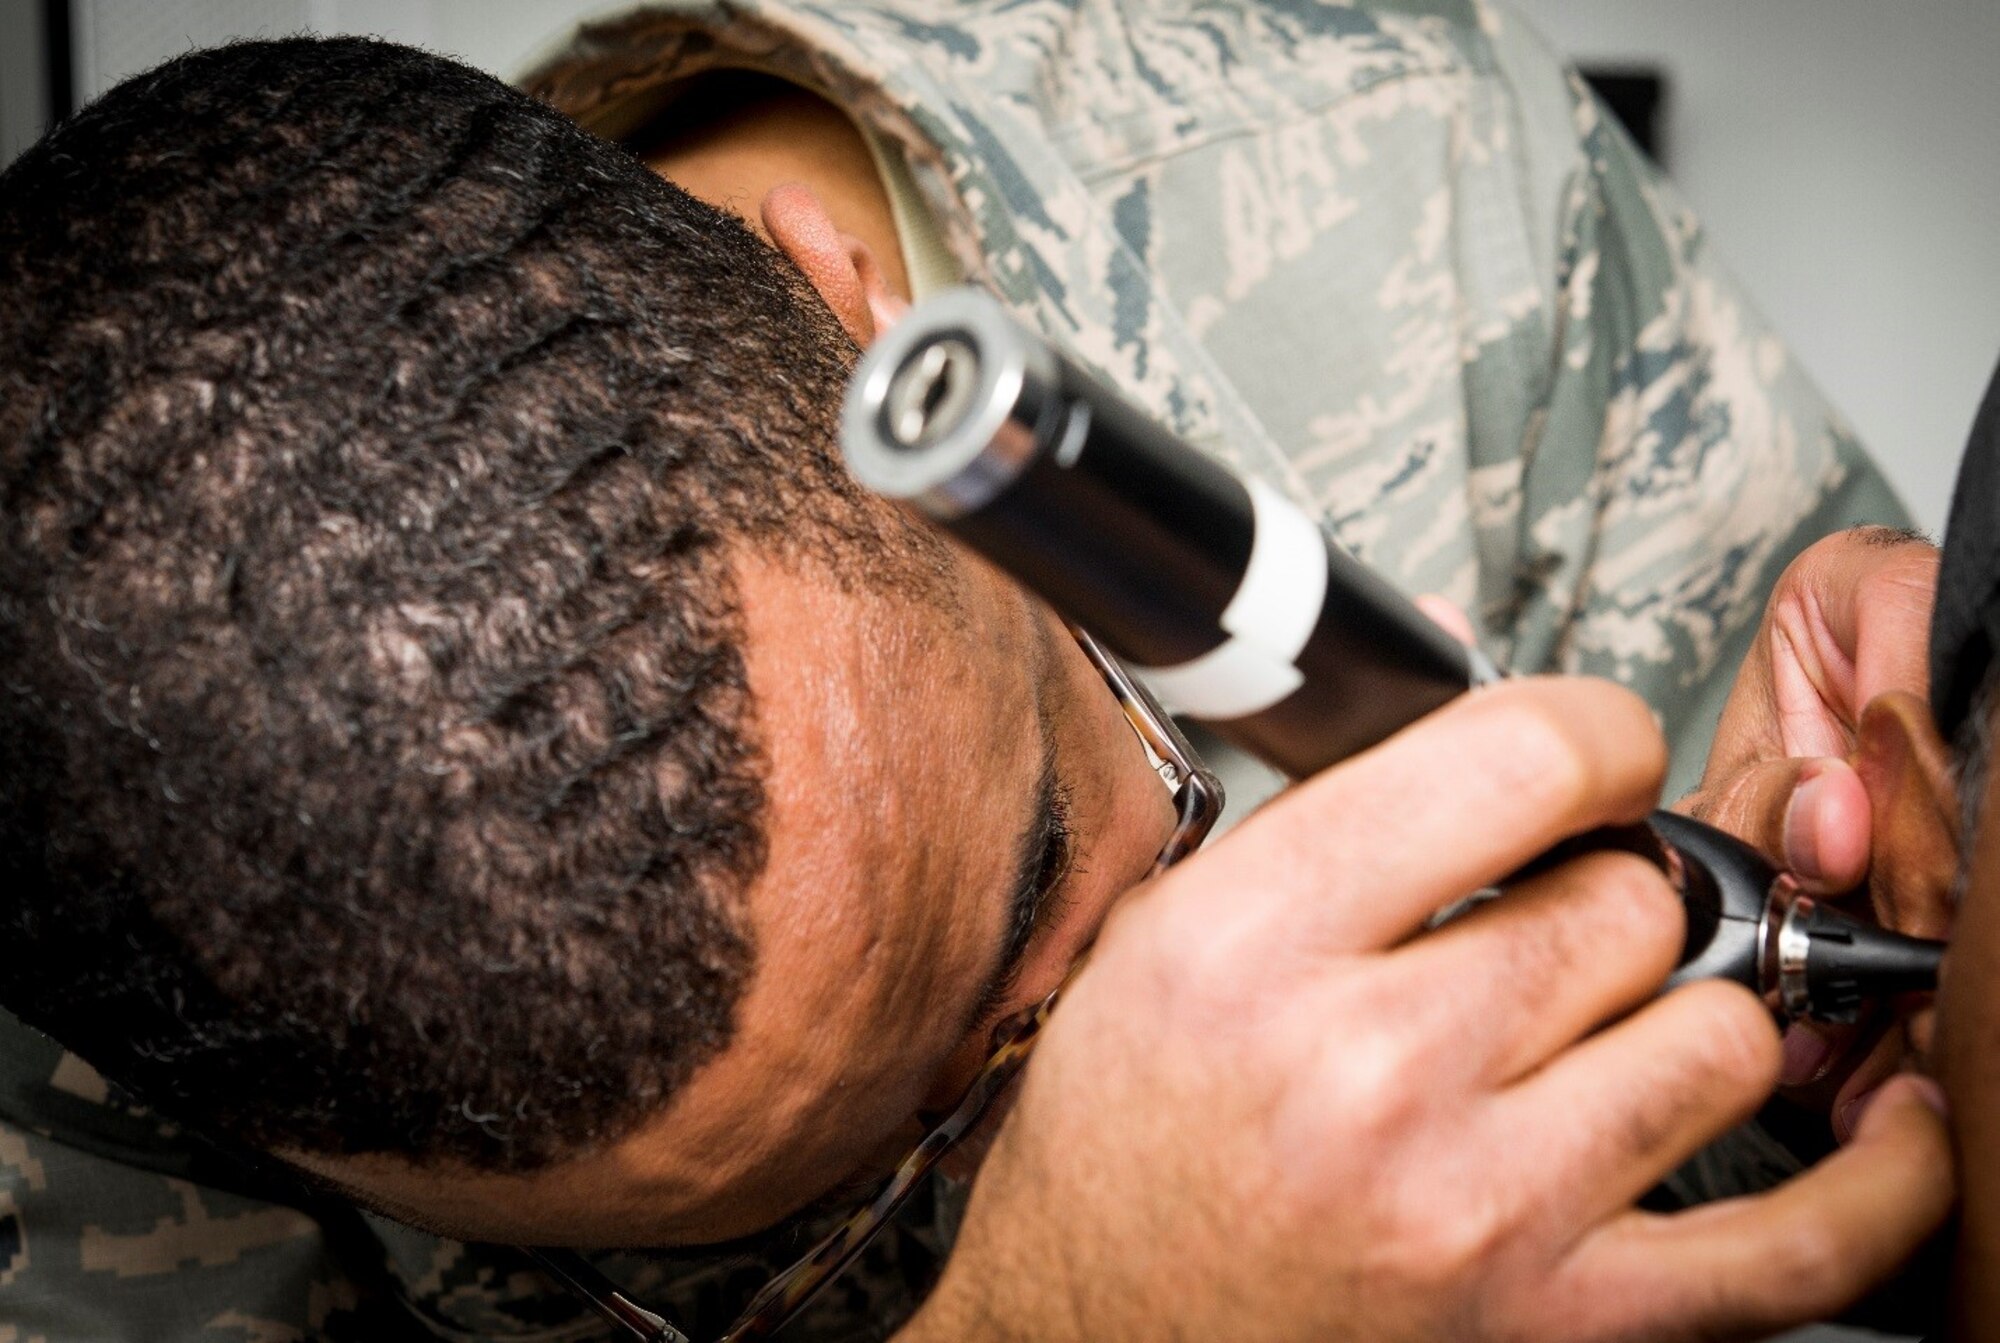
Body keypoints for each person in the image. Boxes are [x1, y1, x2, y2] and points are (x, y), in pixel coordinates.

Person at [0, 13, 1949, 1343]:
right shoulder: (78, 1026)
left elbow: (1902, 1175)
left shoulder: (1404, 183)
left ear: (861, 313)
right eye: (801, 1204)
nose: (1106, 1073)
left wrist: (1899, 947)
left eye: (1045, 892)